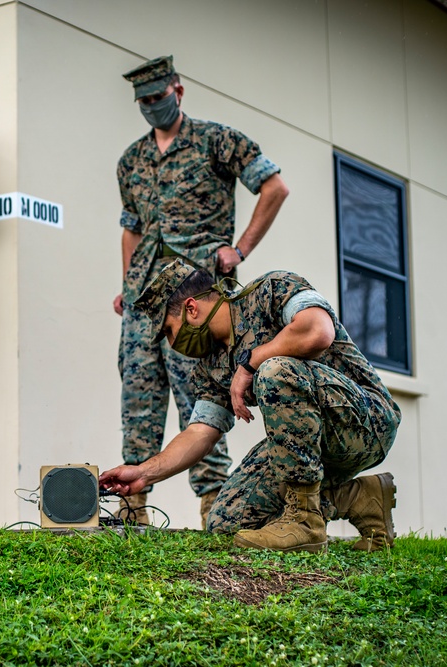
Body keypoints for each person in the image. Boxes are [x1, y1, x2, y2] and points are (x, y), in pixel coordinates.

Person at [100, 260, 400, 553]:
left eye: (168, 330)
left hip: (366, 422)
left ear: (191, 309)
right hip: (310, 445)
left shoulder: (272, 289)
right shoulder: (210, 367)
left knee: (274, 370)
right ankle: (359, 499)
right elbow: (201, 432)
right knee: (228, 520)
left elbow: (317, 331)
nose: (171, 342)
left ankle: (305, 522)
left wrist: (250, 363)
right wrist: (144, 472)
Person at [114, 55, 289, 527]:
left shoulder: (217, 140)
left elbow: (274, 187)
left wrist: (241, 249)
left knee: (201, 392)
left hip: (198, 294)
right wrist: (126, 283)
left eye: (158, 97)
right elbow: (131, 228)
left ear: (178, 90)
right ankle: (134, 506)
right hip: (144, 302)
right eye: (144, 101)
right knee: (138, 395)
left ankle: (214, 501)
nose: (152, 106)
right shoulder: (131, 161)